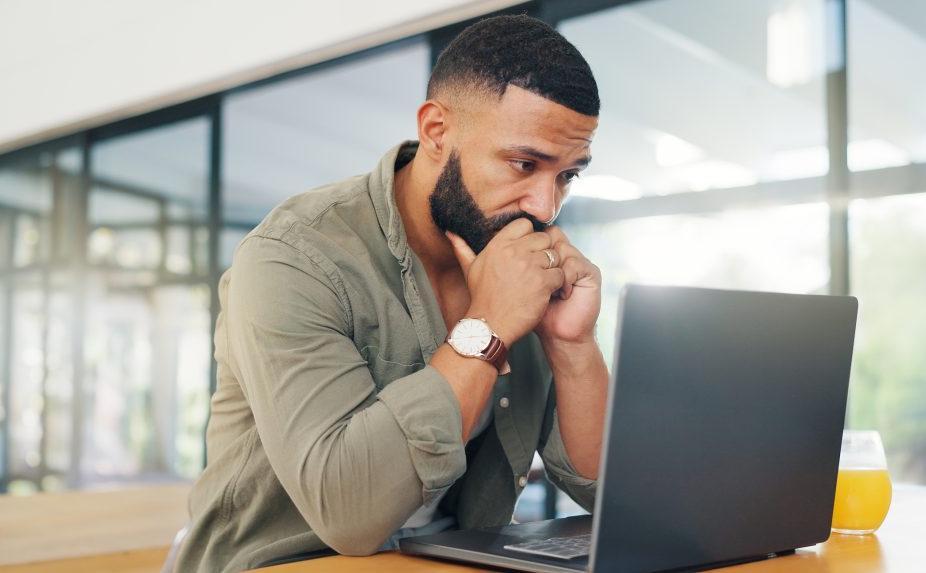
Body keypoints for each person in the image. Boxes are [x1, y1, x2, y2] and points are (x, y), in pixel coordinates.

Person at [171, 14, 609, 573]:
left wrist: (574, 346)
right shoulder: (295, 256)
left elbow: (606, 494)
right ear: (436, 132)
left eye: (568, 175)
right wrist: (489, 325)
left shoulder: (522, 262)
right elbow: (351, 515)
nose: (545, 207)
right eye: (524, 164)